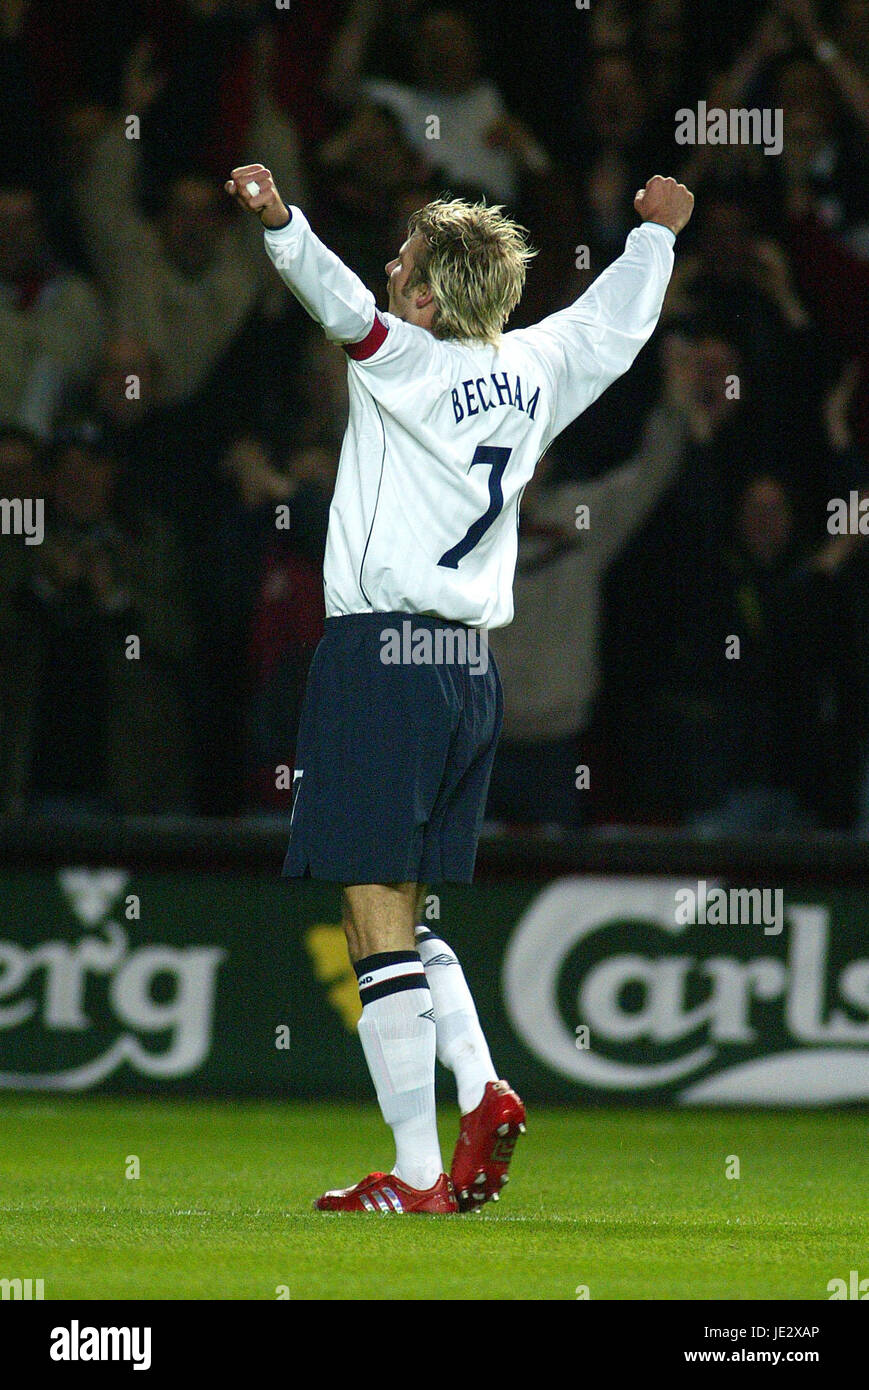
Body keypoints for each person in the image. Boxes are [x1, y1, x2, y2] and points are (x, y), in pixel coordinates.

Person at [224, 159, 694, 1214]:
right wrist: (656, 234)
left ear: (428, 297)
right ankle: (477, 1095)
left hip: (383, 656)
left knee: (370, 907)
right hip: (466, 669)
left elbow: (338, 303)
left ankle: (421, 1165)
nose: (387, 271)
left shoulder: (402, 362)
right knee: (401, 909)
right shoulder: (536, 365)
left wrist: (279, 220)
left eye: (402, 262)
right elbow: (614, 326)